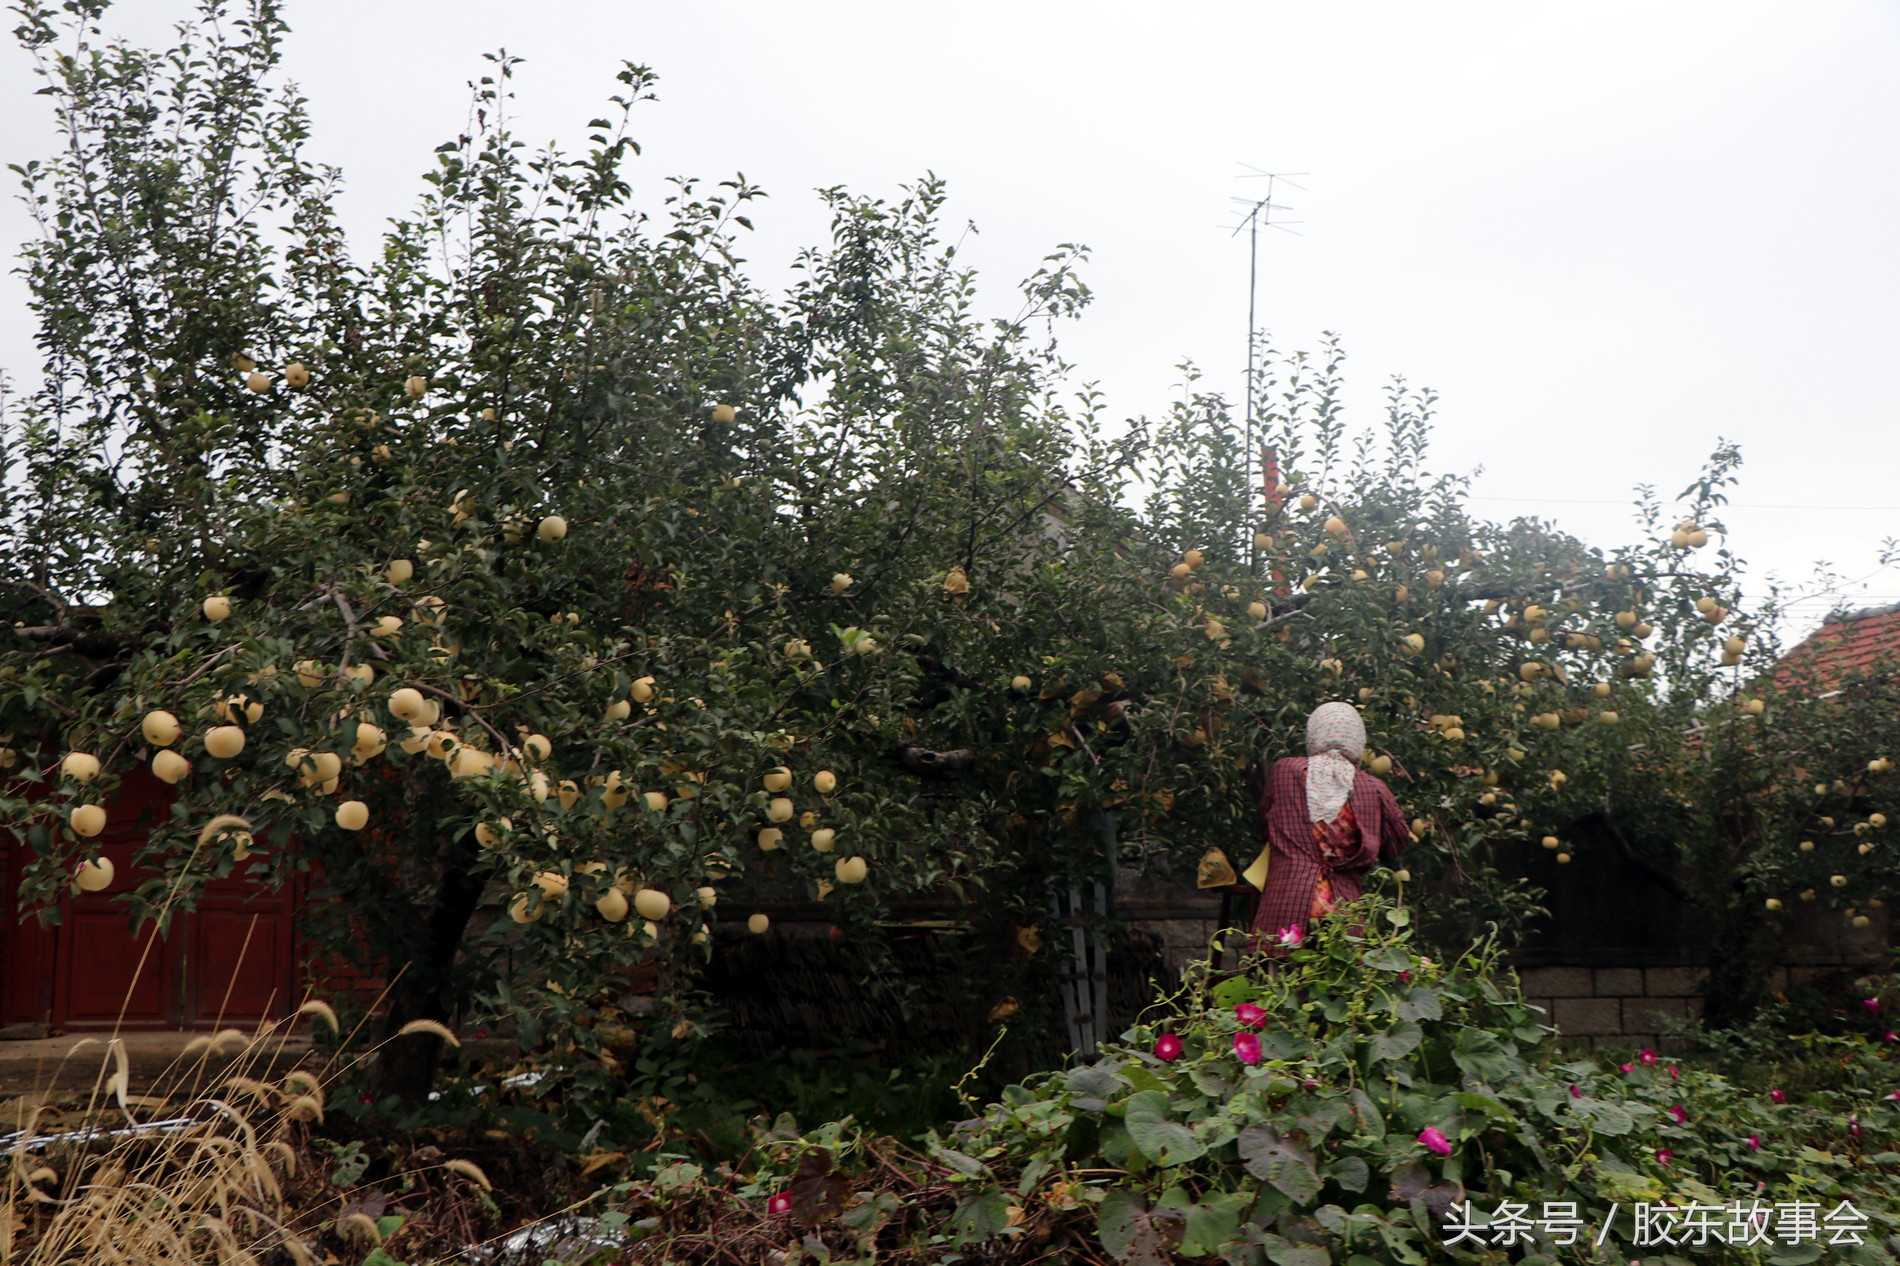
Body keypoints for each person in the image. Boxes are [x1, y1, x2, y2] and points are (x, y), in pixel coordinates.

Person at [1249, 701, 1410, 946]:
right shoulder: (1373, 789)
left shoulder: (1284, 772)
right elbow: (1396, 843)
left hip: (1286, 904)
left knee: (1279, 981)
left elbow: (1265, 827)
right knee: (1337, 979)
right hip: (1343, 912)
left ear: (1315, 733)